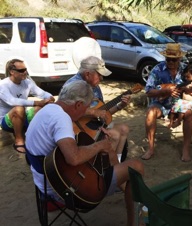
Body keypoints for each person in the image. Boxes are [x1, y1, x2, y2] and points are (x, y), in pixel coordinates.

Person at [25, 80, 144, 226]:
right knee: (136, 166)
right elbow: (73, 158)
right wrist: (100, 145)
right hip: (63, 190)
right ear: (78, 104)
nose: (86, 113)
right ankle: (135, 223)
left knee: (105, 151)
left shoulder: (47, 110)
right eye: (86, 108)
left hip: (43, 181)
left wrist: (99, 145)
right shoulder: (61, 119)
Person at [64, 56, 131, 163]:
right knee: (114, 136)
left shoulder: (95, 87)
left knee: (124, 129)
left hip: (94, 125)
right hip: (77, 130)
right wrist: (92, 112)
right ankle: (104, 169)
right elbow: (65, 110)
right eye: (99, 75)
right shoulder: (72, 86)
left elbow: (103, 113)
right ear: (87, 74)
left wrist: (120, 106)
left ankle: (117, 163)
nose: (102, 78)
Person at [142, 43, 192, 162]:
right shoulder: (157, 69)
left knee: (189, 113)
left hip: (177, 103)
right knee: (150, 113)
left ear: (179, 59)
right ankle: (150, 148)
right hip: (160, 104)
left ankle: (186, 149)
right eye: (168, 59)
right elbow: (148, 91)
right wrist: (164, 91)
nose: (170, 62)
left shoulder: (185, 69)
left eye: (173, 60)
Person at [0, 59, 55, 153]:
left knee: (42, 107)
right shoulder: (3, 85)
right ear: (12, 72)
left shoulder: (27, 82)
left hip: (23, 116)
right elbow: (12, 101)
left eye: (25, 69)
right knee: (18, 108)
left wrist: (49, 98)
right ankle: (19, 140)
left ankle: (38, 136)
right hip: (6, 121)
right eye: (21, 70)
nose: (25, 72)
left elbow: (42, 93)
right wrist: (36, 102)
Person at [168, 64, 192, 128]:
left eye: (188, 77)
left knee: (182, 111)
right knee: (173, 110)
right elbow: (181, 89)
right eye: (185, 77)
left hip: (190, 101)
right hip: (182, 100)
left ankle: (178, 121)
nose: (186, 78)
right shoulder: (186, 83)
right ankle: (171, 122)